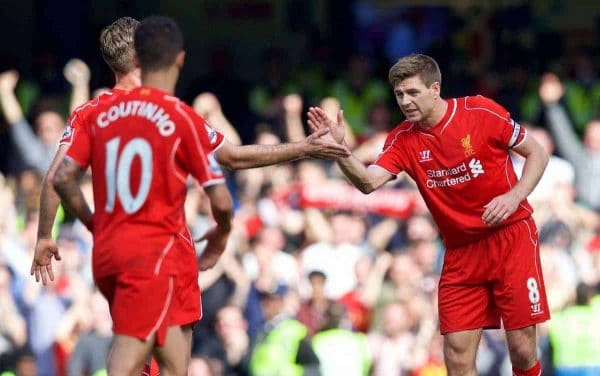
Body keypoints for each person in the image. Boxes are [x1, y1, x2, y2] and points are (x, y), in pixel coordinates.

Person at [308, 53, 550, 376]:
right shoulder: (402, 139)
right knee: (456, 355)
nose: (405, 102)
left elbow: (538, 152)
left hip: (510, 236)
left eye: (413, 93)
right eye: (399, 95)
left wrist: (513, 196)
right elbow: (368, 182)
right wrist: (339, 151)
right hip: (460, 251)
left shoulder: (480, 111)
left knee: (521, 348)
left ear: (435, 88)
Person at [52, 16, 234, 374]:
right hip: (157, 255)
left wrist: (85, 225)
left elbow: (58, 177)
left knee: (149, 356)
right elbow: (227, 176)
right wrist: (221, 235)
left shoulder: (97, 112)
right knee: (137, 360)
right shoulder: (175, 115)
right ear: (175, 59)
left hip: (110, 253)